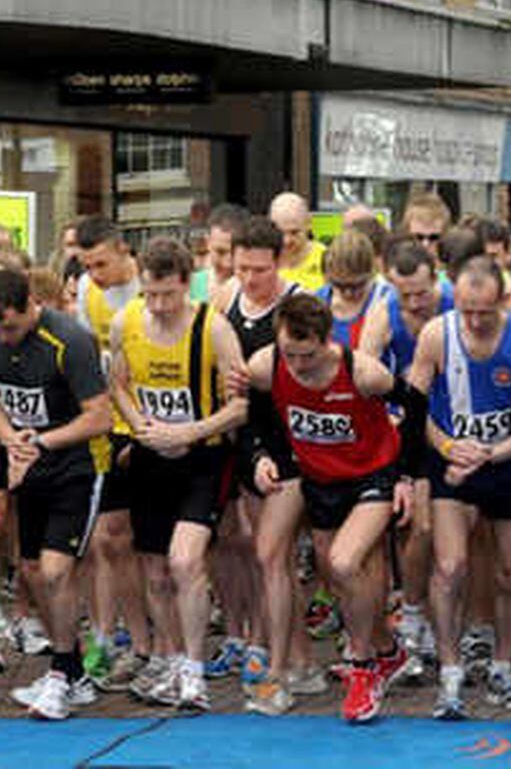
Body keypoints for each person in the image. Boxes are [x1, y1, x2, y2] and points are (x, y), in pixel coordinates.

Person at [241, 294, 427, 723]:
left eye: (306, 356)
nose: (298, 366)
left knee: (345, 563)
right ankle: (386, 650)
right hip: (319, 480)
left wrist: (404, 477)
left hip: (371, 476)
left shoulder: (361, 371)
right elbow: (251, 415)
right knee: (335, 573)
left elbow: (415, 406)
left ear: (326, 341)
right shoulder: (265, 366)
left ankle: (363, 668)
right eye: (290, 354)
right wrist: (260, 456)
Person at [108, 236, 246, 710]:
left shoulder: (214, 328)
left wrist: (189, 431)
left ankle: (193, 670)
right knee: (156, 570)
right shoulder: (126, 322)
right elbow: (118, 383)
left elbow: (241, 407)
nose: (160, 304)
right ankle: (168, 657)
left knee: (186, 561)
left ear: (187, 284)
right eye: (151, 294)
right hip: (150, 457)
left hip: (202, 459)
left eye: (168, 294)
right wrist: (141, 423)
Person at [0, 269, 113, 721]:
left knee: (56, 570)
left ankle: (58, 672)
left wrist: (40, 442)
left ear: (32, 305)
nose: (4, 337)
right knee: (31, 570)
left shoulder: (70, 341)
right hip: (28, 464)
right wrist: (10, 438)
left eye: (11, 327)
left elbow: (100, 417)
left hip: (77, 466)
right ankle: (72, 669)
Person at [408, 255, 511, 719]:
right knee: (450, 567)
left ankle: (503, 663)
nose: (477, 321)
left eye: (485, 311)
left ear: (502, 300)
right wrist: (446, 448)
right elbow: (414, 408)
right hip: (454, 465)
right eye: (468, 311)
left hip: (507, 463)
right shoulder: (438, 334)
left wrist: (490, 453)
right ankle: (450, 669)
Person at [213, 217, 311, 714]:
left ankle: (279, 670)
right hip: (246, 441)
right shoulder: (224, 297)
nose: (250, 278)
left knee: (273, 555)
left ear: (280, 261)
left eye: (260, 269)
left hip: (291, 444)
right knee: (265, 553)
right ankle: (295, 656)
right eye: (242, 267)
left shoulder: (297, 303)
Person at [359, 239, 454, 665]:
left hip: (452, 428)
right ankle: (413, 615)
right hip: (404, 432)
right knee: (414, 527)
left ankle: (451, 622)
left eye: (422, 292)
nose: (415, 303)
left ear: (436, 280)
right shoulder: (384, 316)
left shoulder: (455, 304)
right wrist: (385, 419)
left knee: (458, 537)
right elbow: (361, 374)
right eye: (405, 294)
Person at [74, 215, 151, 689]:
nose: (95, 273)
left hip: (153, 423)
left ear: (124, 250)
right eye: (88, 264)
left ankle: (148, 638)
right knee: (106, 537)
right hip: (109, 424)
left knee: (149, 545)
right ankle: (107, 635)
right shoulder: (86, 289)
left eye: (101, 262)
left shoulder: (150, 285)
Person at [316, 232, 386, 349]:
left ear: (372, 273)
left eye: (357, 285)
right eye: (339, 285)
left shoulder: (386, 299)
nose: (347, 293)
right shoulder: (318, 301)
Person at [271, 192, 326, 292]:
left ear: (309, 223)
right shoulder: (264, 259)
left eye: (294, 232)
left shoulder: (326, 258)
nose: (286, 240)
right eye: (280, 232)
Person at [400, 193, 452, 270]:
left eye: (433, 238)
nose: (425, 244)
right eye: (418, 237)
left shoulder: (455, 278)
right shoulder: (392, 277)